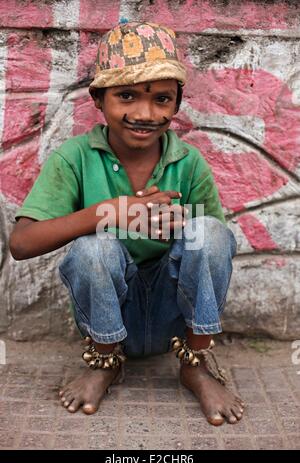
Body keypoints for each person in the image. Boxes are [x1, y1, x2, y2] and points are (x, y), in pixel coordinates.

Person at [9, 22, 244, 426]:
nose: (144, 114)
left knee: (210, 232)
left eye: (161, 99)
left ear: (176, 104)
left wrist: (178, 228)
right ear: (98, 98)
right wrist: (111, 211)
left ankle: (196, 364)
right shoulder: (75, 158)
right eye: (126, 96)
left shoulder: (188, 164)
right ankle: (104, 363)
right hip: (111, 317)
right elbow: (22, 243)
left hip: (176, 320)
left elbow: (214, 252)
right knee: (93, 247)